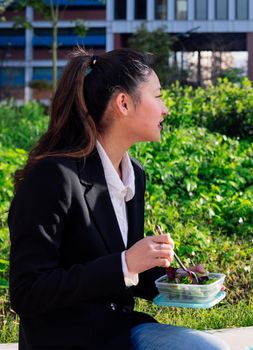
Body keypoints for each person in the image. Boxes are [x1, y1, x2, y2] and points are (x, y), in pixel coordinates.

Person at [8, 48, 229, 350]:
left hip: (119, 331)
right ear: (123, 103)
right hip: (67, 340)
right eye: (158, 96)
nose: (165, 109)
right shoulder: (53, 176)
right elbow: (27, 292)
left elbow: (120, 268)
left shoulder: (133, 174)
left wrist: (178, 279)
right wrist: (125, 263)